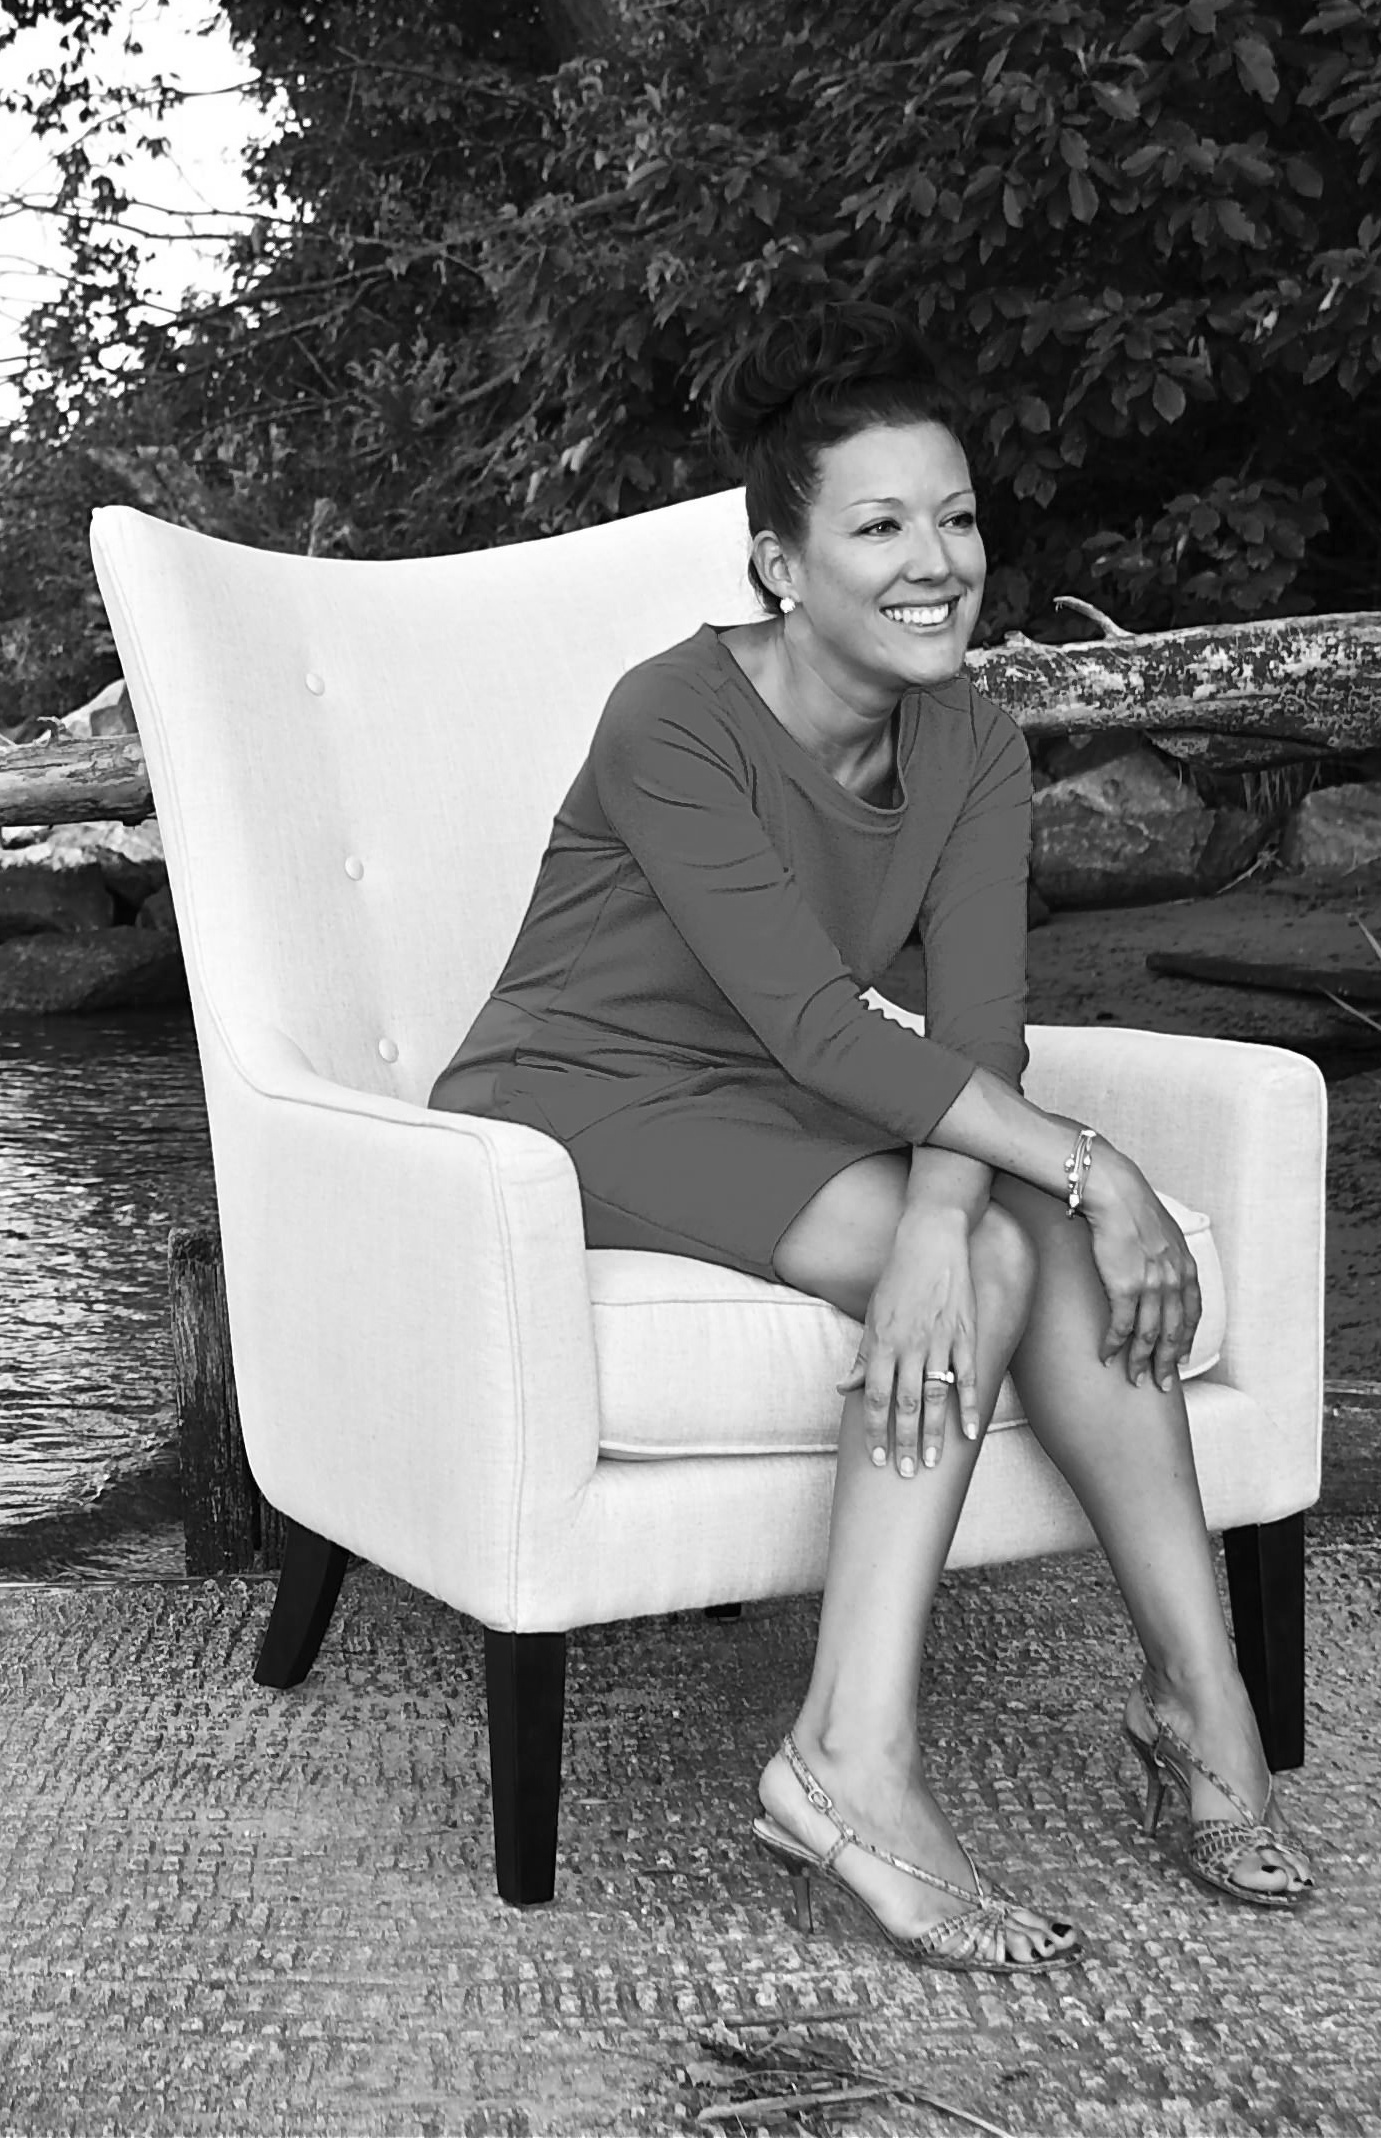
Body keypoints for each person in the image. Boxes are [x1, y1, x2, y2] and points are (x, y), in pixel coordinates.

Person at [428, 300, 1313, 1972]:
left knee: (1013, 1242)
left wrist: (950, 1216)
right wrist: (1095, 1166)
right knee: (1037, 1227)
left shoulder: (971, 734)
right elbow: (823, 1025)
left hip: (779, 1099)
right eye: (883, 526)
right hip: (573, 1098)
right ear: (782, 564)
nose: (939, 563)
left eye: (958, 518)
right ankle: (849, 1764)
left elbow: (974, 1034)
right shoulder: (671, 715)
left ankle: (1199, 1703)